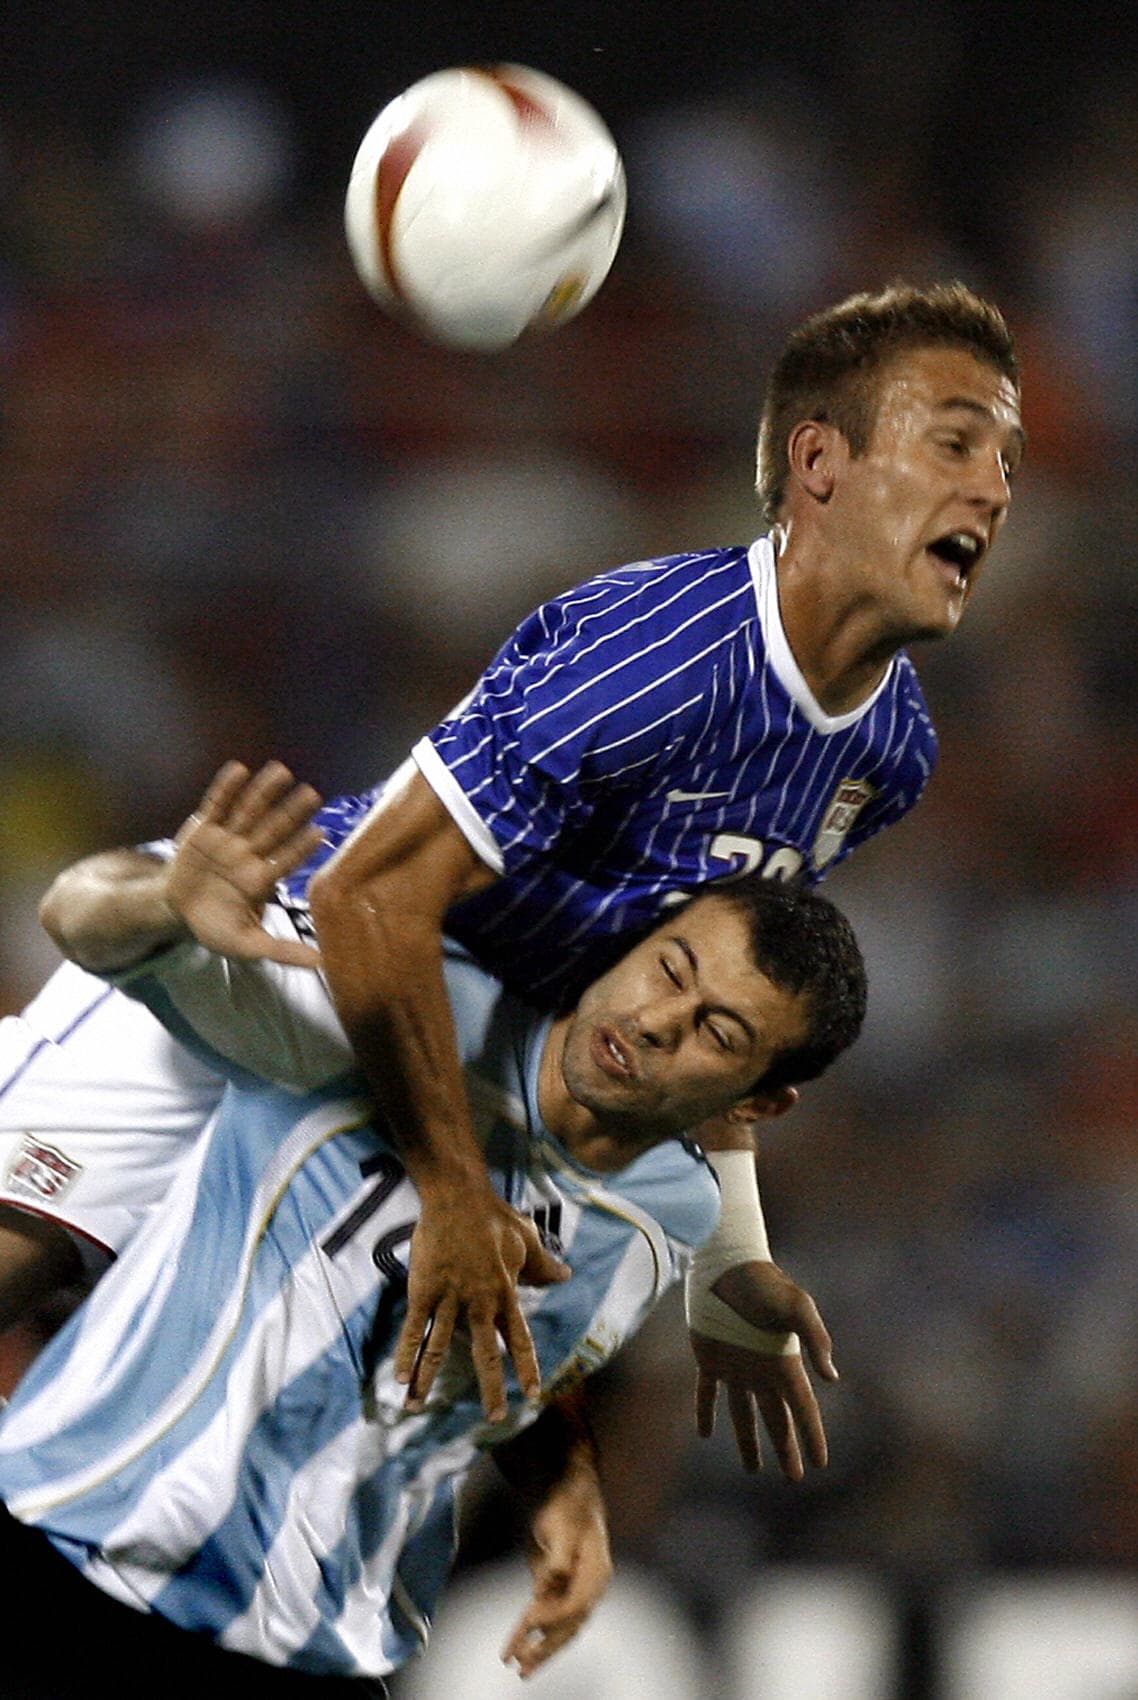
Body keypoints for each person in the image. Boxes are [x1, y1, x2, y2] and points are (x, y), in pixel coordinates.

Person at [0, 278, 1023, 1440]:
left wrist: (730, 1256)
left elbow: (731, 987)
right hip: (274, 957)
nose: (992, 489)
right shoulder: (657, 655)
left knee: (230, 1451)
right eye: (953, 443)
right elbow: (368, 893)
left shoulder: (890, 751)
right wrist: (450, 1190)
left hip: (447, 1075)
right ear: (819, 461)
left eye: (1006, 462)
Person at [0, 762, 867, 1696]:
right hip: (77, 1554)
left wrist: (564, 1486)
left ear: (757, 1104)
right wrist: (167, 896)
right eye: (669, 968)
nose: (659, 1022)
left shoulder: (668, 1214)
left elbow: (502, 1374)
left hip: (321, 1650)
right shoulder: (395, 1009)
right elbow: (80, 918)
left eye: (719, 1033)